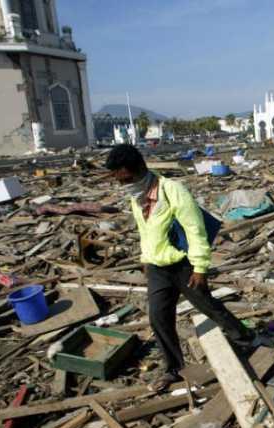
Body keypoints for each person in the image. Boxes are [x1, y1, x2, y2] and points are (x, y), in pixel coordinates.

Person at [106, 144, 254, 391]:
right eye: (120, 181)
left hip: (183, 265)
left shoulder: (173, 191)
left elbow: (195, 230)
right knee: (158, 317)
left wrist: (200, 268)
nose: (124, 185)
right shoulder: (137, 197)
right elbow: (145, 231)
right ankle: (172, 368)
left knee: (207, 305)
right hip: (156, 267)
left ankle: (244, 337)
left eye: (127, 179)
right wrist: (145, 259)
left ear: (140, 169)